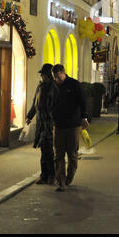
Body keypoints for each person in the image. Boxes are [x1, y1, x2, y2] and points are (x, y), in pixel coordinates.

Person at [51, 64, 89, 192]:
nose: (57, 80)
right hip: (58, 125)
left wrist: (84, 117)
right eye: (55, 78)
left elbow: (83, 102)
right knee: (58, 154)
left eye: (58, 77)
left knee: (72, 153)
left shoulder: (74, 84)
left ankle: (69, 178)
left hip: (73, 125)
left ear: (63, 73)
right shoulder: (54, 86)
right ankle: (61, 181)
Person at [26, 64, 57, 185]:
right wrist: (29, 116)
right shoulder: (40, 87)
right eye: (42, 75)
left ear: (49, 75)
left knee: (48, 149)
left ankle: (50, 175)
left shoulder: (54, 88)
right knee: (44, 149)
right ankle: (45, 174)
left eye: (43, 74)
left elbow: (56, 105)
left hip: (49, 122)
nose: (42, 76)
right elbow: (35, 103)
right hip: (41, 122)